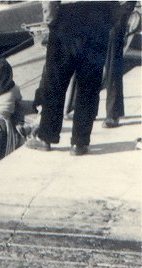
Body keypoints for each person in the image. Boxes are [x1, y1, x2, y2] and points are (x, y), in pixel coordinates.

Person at [27, 1, 116, 156]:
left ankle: (46, 137)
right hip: (99, 17)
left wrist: (51, 20)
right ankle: (80, 143)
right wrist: (109, 18)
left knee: (55, 82)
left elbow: (49, 4)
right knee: (89, 85)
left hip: (67, 17)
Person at [103, 1, 137, 128]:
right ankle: (84, 108)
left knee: (113, 65)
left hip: (117, 13)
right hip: (96, 11)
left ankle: (113, 113)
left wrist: (124, 14)